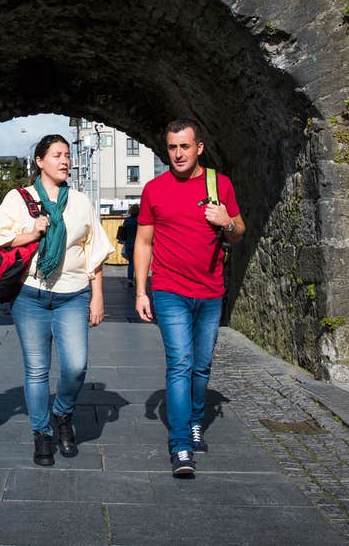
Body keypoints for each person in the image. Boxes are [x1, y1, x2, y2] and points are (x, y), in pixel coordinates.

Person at [0, 134, 109, 466]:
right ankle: (41, 433)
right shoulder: (19, 198)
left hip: (72, 295)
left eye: (67, 155)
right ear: (40, 161)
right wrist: (33, 232)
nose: (65, 160)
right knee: (37, 370)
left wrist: (97, 297)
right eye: (57, 155)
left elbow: (94, 252)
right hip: (30, 295)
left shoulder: (81, 202)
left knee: (76, 365)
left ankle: (63, 413)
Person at [132, 119, 244, 478]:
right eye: (171, 147)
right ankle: (180, 444)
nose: (177, 154)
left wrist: (226, 221)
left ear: (199, 148)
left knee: (201, 366)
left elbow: (239, 232)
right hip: (169, 290)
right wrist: (140, 291)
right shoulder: (154, 189)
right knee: (180, 363)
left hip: (210, 292)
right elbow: (144, 242)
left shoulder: (219, 184)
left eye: (184, 146)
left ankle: (195, 419)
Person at [118, 204, 140, 287]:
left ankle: (130, 279)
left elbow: (123, 232)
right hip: (137, 244)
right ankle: (139, 279)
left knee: (131, 263)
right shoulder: (139, 220)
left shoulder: (127, 220)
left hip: (128, 244)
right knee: (139, 263)